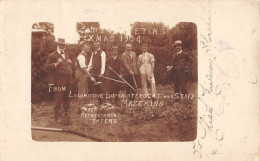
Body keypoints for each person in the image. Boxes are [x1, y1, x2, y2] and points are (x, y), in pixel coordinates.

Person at [45, 38, 72, 125]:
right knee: (59, 97)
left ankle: (66, 113)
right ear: (57, 45)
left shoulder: (66, 55)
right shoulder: (52, 55)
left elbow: (67, 66)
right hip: (59, 80)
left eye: (63, 45)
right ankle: (57, 116)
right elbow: (47, 67)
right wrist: (56, 63)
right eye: (60, 45)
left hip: (68, 78)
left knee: (67, 97)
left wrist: (70, 64)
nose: (62, 46)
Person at [75, 43, 96, 112]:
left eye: (88, 49)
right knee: (82, 91)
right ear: (83, 48)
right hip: (81, 75)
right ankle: (80, 107)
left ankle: (83, 105)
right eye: (86, 49)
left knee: (85, 91)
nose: (87, 50)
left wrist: (88, 73)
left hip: (83, 74)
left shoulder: (84, 55)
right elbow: (83, 68)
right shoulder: (81, 56)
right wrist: (90, 77)